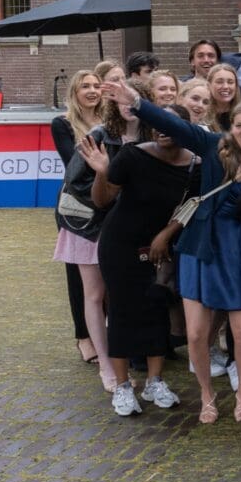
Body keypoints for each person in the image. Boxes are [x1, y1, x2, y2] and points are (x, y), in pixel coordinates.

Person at [117, 79, 241, 424]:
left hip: (239, 254)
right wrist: (138, 103)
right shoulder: (215, 146)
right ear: (231, 128)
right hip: (200, 247)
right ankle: (207, 394)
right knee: (197, 334)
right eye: (239, 125)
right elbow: (177, 125)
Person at [79, 105, 195, 416]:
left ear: (186, 128)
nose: (161, 129)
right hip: (119, 243)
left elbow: (192, 206)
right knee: (122, 311)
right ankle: (122, 385)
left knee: (157, 308)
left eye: (169, 123)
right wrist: (103, 171)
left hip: (159, 246)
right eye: (156, 123)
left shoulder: (195, 164)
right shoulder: (133, 155)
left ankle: (155, 381)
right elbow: (102, 200)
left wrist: (165, 235)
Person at [52, 68, 115, 382]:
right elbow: (72, 167)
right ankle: (85, 338)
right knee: (83, 282)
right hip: (80, 211)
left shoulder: (111, 123)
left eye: (95, 86)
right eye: (85, 87)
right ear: (74, 93)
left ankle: (107, 338)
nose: (92, 91)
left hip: (110, 208)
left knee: (110, 284)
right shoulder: (63, 124)